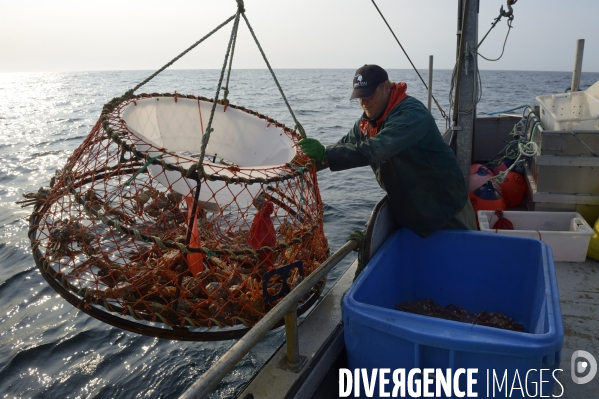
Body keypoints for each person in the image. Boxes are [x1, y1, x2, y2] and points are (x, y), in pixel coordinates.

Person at [298, 64, 476, 238]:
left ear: (386, 87)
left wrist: (327, 154)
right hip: (415, 215)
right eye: (360, 97)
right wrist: (305, 163)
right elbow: (343, 146)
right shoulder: (367, 121)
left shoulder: (411, 114)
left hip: (448, 211)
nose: (364, 102)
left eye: (369, 95)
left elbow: (378, 148)